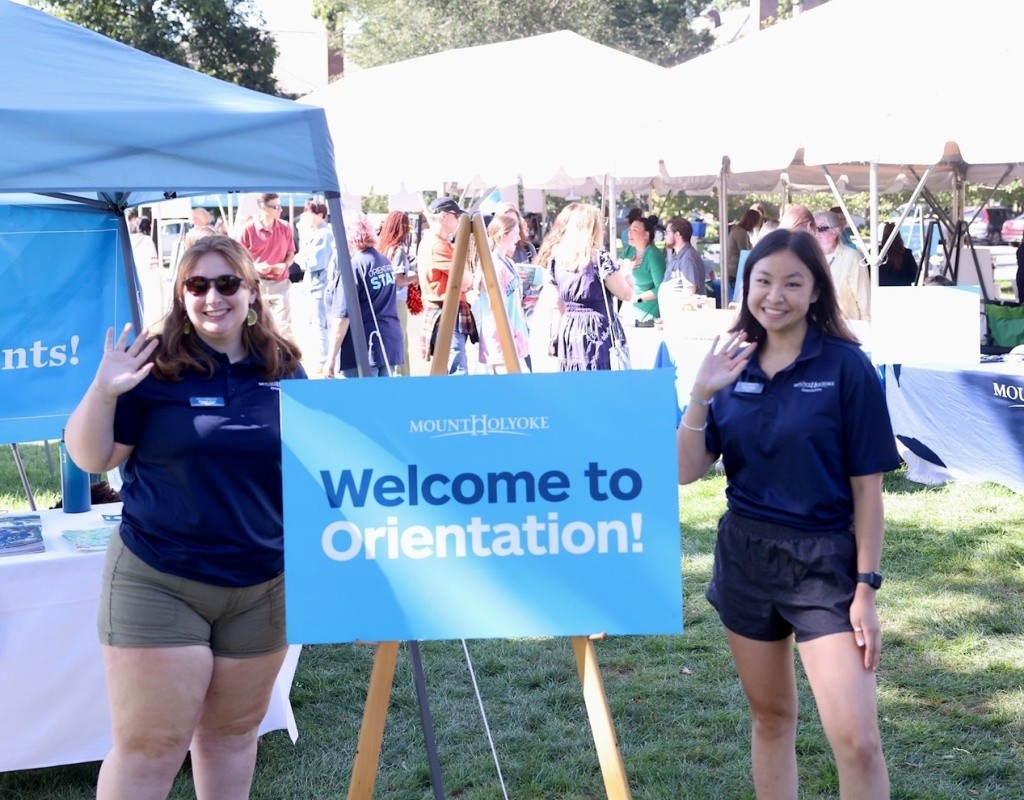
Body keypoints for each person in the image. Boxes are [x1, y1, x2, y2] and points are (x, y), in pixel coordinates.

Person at [63, 235, 305, 800]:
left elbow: (311, 469)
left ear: (251, 291)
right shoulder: (154, 367)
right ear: (181, 293)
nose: (212, 298)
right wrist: (103, 393)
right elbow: (91, 458)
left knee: (233, 736)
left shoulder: (284, 369)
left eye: (226, 284)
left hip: (262, 584)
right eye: (197, 285)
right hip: (161, 578)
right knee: (152, 749)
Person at [677, 228, 899, 800]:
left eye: (792, 283)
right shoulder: (728, 364)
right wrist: (701, 392)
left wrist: (865, 589)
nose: (775, 295)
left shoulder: (846, 367)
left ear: (815, 291)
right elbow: (685, 469)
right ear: (746, 284)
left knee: (857, 741)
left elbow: (868, 493)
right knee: (771, 719)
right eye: (764, 280)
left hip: (824, 564)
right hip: (745, 561)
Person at [541, 202, 635, 371]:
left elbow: (558, 302)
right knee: (601, 384)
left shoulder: (557, 259)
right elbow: (626, 294)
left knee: (575, 384)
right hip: (597, 330)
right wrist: (626, 271)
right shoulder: (599, 259)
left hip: (569, 328)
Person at [326, 212, 403, 378]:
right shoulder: (384, 261)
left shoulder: (353, 267)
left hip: (364, 347)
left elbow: (342, 319)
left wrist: (330, 358)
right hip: (389, 341)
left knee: (360, 402)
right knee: (383, 402)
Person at [417, 197, 475, 375]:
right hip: (447, 312)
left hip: (445, 310)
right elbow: (466, 281)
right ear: (443, 216)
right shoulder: (437, 245)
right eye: (455, 215)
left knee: (448, 369)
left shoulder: (434, 242)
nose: (458, 219)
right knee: (457, 370)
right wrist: (470, 278)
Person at [474, 212, 531, 372]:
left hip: (513, 335)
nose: (519, 238)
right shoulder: (494, 265)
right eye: (515, 233)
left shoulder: (508, 262)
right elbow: (497, 306)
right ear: (504, 235)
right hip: (502, 338)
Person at [237, 193, 297, 338]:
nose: (280, 210)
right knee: (256, 325)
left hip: (281, 283)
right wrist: (255, 267)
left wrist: (285, 265)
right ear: (263, 208)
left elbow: (291, 254)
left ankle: (285, 357)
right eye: (276, 206)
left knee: (283, 327)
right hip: (257, 284)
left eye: (280, 205)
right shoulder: (248, 229)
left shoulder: (285, 227)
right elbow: (238, 257)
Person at [294, 201, 336, 371]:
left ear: (320, 214)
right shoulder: (318, 233)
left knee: (321, 324)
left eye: (311, 213)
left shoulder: (324, 234)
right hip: (315, 284)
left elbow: (314, 262)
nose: (308, 217)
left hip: (320, 284)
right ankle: (323, 359)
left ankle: (324, 360)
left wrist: (298, 258)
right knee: (317, 323)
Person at [376, 211, 418, 376]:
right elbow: (399, 280)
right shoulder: (398, 250)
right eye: (407, 226)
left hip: (383, 301)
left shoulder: (382, 248)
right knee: (401, 344)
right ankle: (402, 379)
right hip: (398, 302)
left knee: (391, 343)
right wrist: (415, 278)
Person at [814, 210, 870, 320]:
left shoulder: (852, 257)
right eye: (813, 229)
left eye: (821, 229)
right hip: (816, 327)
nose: (816, 233)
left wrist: (866, 325)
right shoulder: (809, 257)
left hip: (845, 326)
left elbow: (863, 296)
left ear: (836, 231)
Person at [619, 214, 666, 325]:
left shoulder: (654, 255)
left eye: (634, 230)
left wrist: (637, 298)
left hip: (647, 318)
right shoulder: (629, 250)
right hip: (628, 313)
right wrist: (627, 265)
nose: (629, 233)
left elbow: (660, 289)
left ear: (646, 235)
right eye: (629, 229)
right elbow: (616, 269)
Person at [126, 210, 162, 330]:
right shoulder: (146, 240)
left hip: (134, 272)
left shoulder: (125, 239)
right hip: (145, 274)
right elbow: (154, 264)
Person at [662, 217, 706, 293]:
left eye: (667, 232)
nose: (665, 236)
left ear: (677, 235)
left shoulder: (688, 259)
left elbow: (689, 292)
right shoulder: (677, 256)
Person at [726, 208, 762, 287]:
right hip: (736, 271)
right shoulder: (741, 232)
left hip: (733, 270)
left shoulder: (737, 230)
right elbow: (745, 252)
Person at [877, 222, 917, 287]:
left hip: (880, 291)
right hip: (902, 292)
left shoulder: (876, 254)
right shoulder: (906, 253)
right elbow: (914, 276)